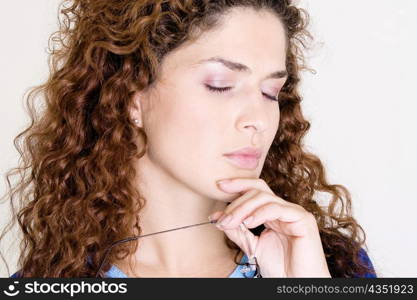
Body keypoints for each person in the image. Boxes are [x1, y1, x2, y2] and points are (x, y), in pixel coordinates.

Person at [2, 0, 377, 278]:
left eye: (270, 92)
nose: (258, 121)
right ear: (132, 96)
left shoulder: (331, 267)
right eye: (221, 85)